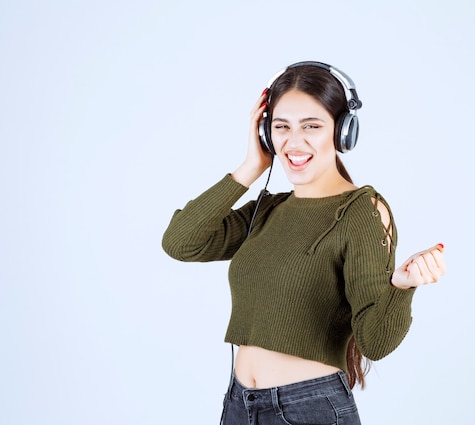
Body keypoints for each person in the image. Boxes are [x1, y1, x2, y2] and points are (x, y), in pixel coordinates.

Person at [162, 61, 446, 425]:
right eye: (281, 127)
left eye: (311, 126)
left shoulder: (361, 211)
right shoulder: (269, 209)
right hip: (238, 405)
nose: (294, 142)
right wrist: (251, 166)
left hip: (308, 409)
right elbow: (180, 242)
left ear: (343, 132)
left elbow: (375, 342)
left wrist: (402, 287)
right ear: (266, 133)